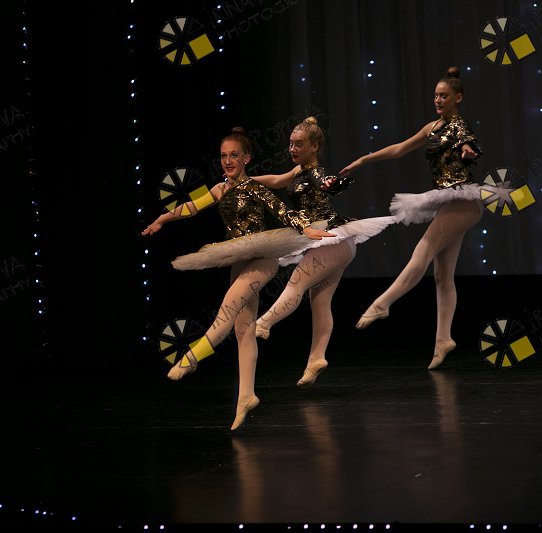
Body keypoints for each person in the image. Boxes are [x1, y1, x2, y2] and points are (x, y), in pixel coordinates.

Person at [142, 127, 333, 430]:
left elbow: (283, 211)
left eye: (234, 155)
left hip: (263, 258)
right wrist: (161, 220)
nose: (228, 161)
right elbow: (190, 208)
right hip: (238, 259)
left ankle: (191, 358)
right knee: (243, 329)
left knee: (227, 311)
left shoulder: (254, 187)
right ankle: (246, 396)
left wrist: (307, 229)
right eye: (223, 156)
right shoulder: (220, 189)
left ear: (246, 158)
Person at [339, 66, 484, 370]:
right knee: (442, 274)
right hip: (449, 203)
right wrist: (364, 160)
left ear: (458, 97)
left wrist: (468, 151)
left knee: (423, 250)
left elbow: (467, 142)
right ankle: (443, 339)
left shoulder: (459, 125)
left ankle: (383, 303)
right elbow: (399, 149)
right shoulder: (431, 128)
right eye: (436, 96)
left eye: (444, 96)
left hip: (463, 201)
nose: (438, 100)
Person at [250, 117, 395, 387]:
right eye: (291, 144)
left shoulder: (316, 172)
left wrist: (332, 183)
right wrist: (246, 181)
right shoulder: (298, 170)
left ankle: (263, 324)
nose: (293, 149)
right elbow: (277, 180)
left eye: (299, 144)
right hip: (336, 245)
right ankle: (316, 358)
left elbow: (325, 181)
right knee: (319, 301)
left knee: (296, 284)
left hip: (332, 240)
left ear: (314, 147)